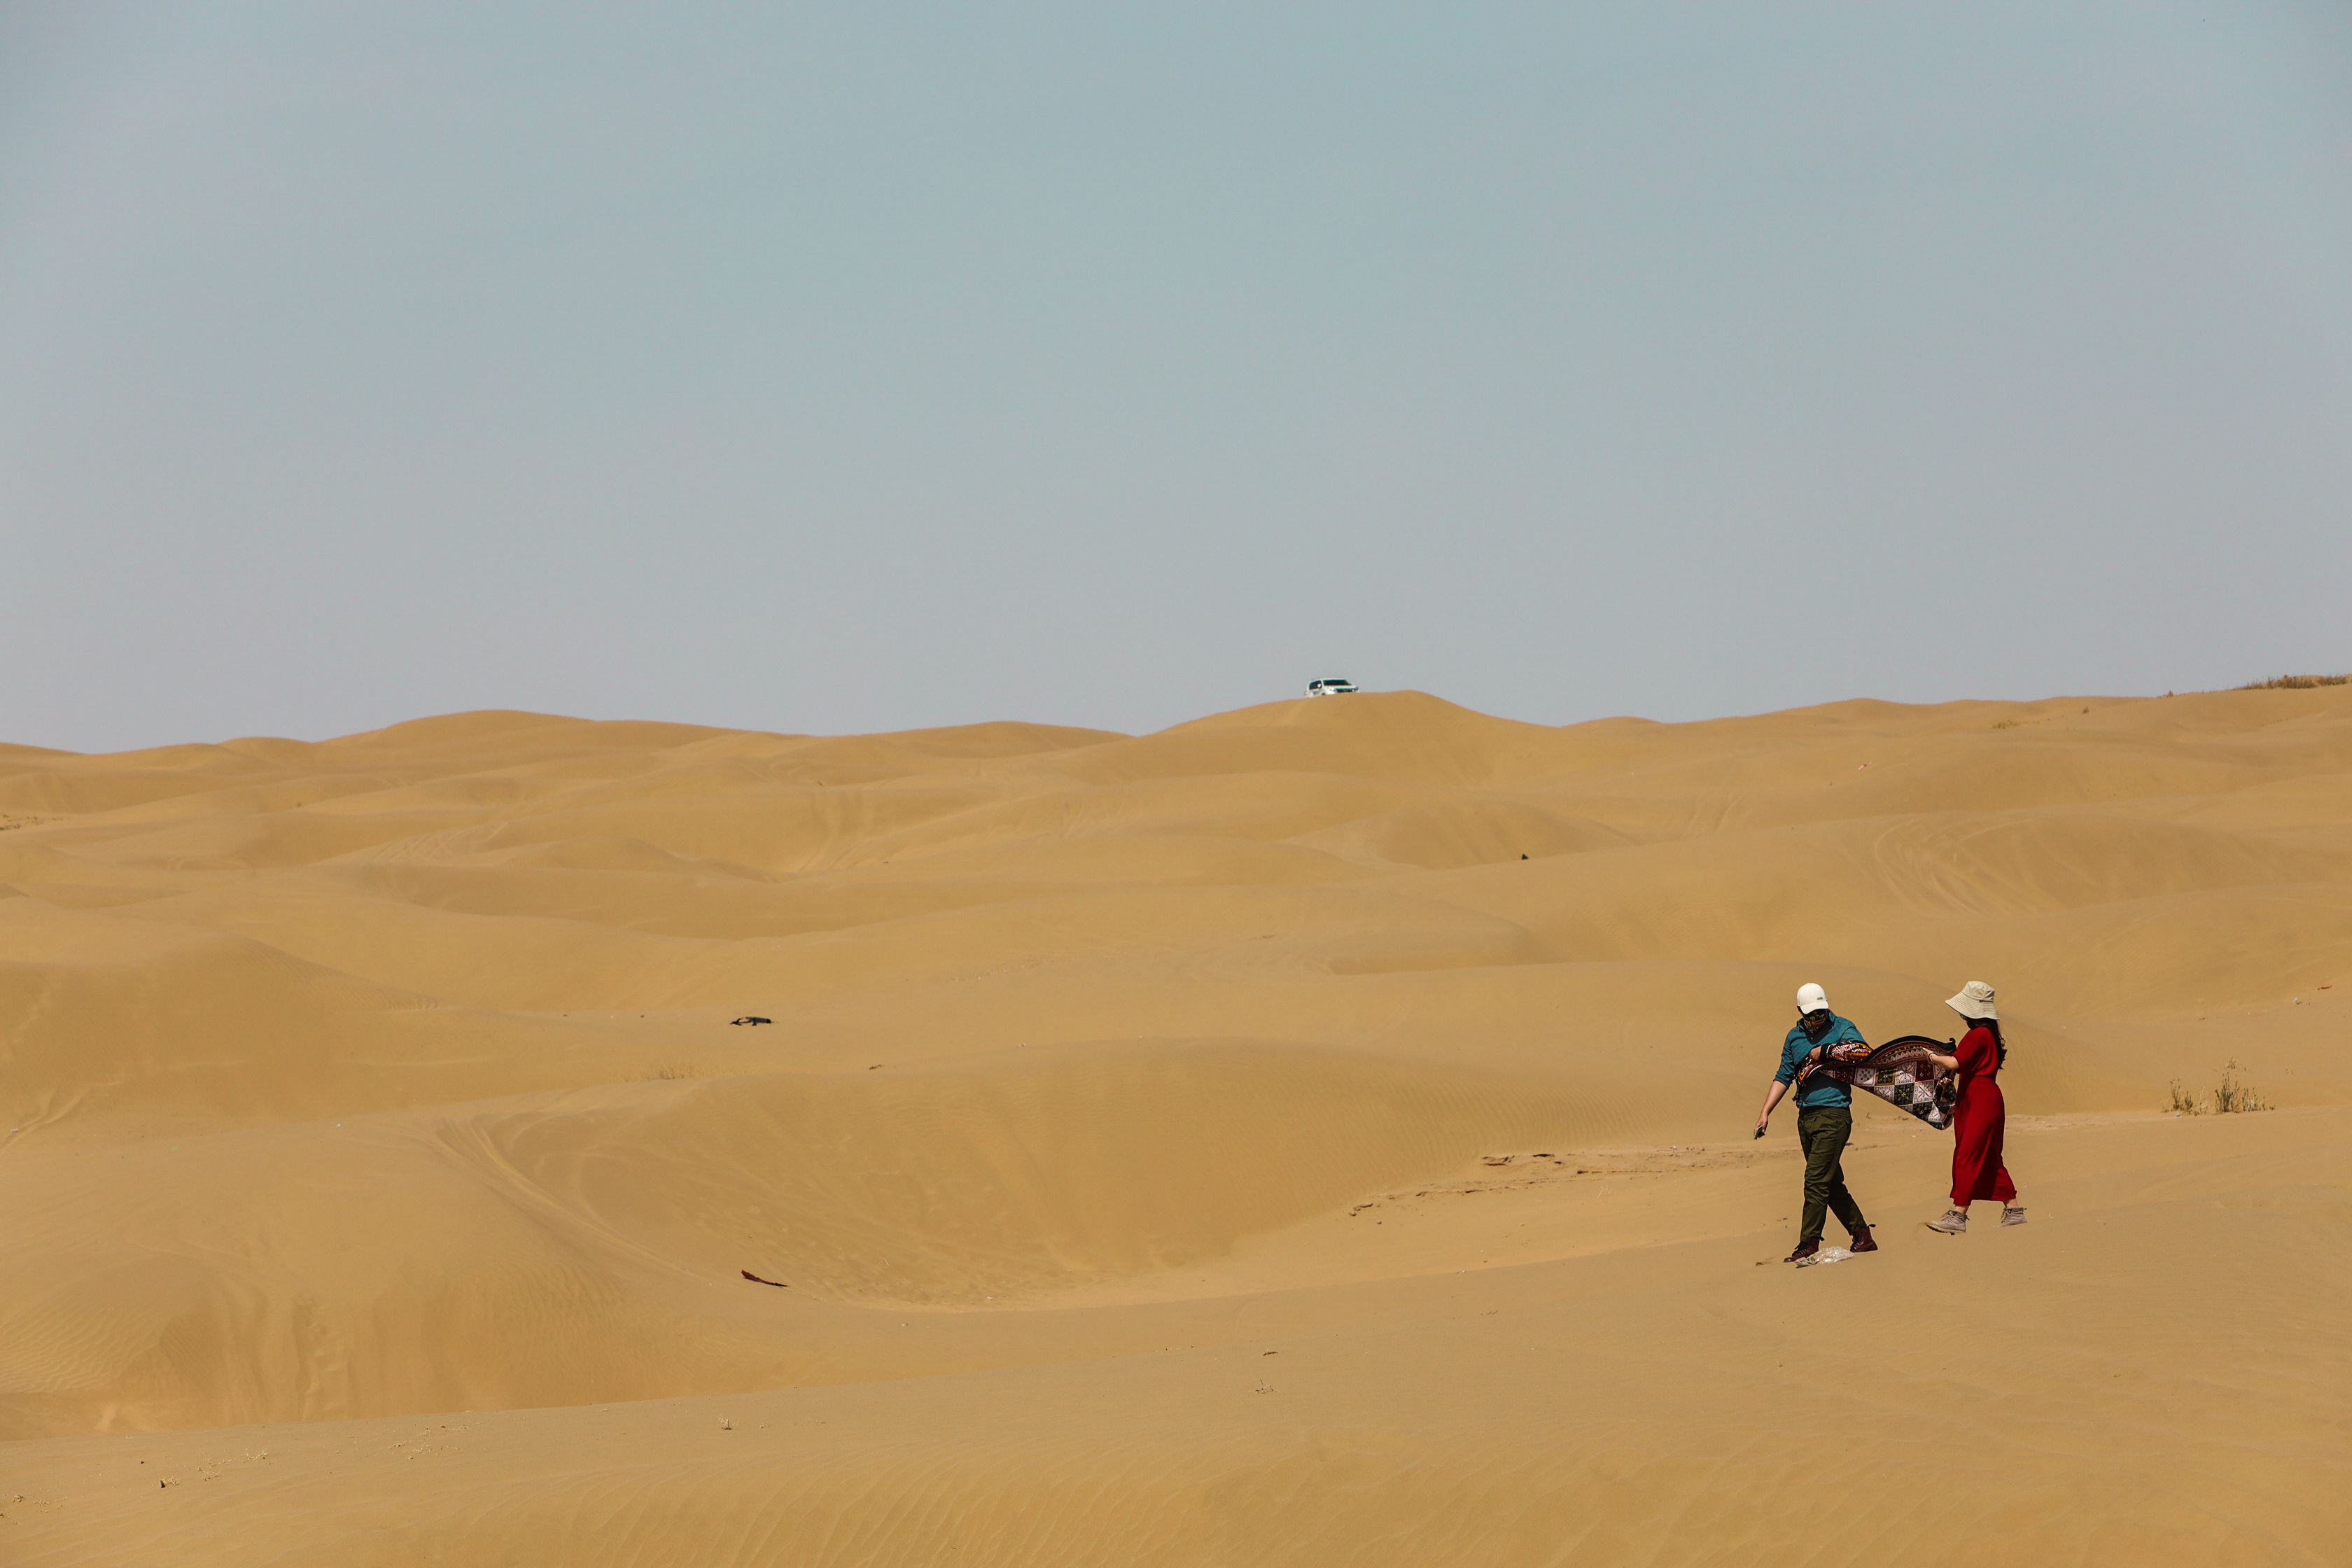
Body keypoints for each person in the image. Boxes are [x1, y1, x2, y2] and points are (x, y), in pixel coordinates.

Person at [1754, 982, 1877, 1263]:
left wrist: (1825, 1052)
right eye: (1811, 1015)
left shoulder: (1843, 1027)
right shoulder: (1795, 1036)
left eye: (1821, 1013)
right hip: (1806, 1117)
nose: (1816, 1019)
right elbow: (1783, 1075)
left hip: (1834, 1115)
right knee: (1829, 1182)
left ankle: (1808, 1244)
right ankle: (1863, 1236)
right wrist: (1765, 1113)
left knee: (1814, 1181)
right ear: (1800, 1011)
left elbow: (1862, 1052)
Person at [1921, 980, 2024, 1233]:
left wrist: (1930, 1057)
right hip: (1977, 1097)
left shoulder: (1979, 1035)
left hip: (1980, 1099)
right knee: (1987, 1156)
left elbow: (1954, 1063)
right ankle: (2014, 1210)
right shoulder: (1986, 1035)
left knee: (1968, 1154)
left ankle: (1958, 1214)